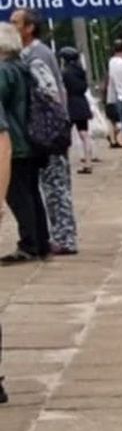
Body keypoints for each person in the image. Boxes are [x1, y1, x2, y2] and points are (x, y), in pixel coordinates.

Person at [10, 9, 79, 257]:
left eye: (15, 23)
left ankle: (64, 238)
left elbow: (49, 95)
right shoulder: (32, 55)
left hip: (48, 132)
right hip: (50, 131)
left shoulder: (36, 56)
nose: (11, 27)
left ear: (29, 28)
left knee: (55, 186)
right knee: (50, 185)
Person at [0, 22, 49, 264]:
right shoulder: (22, 67)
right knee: (32, 193)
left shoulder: (3, 71)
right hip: (31, 138)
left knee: (18, 196)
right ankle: (40, 240)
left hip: (15, 142)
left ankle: (28, 243)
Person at [59, 47, 94, 174]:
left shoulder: (64, 73)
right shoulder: (81, 71)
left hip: (69, 104)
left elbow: (62, 89)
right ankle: (88, 162)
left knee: (65, 135)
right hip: (82, 102)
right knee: (84, 133)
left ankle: (64, 163)